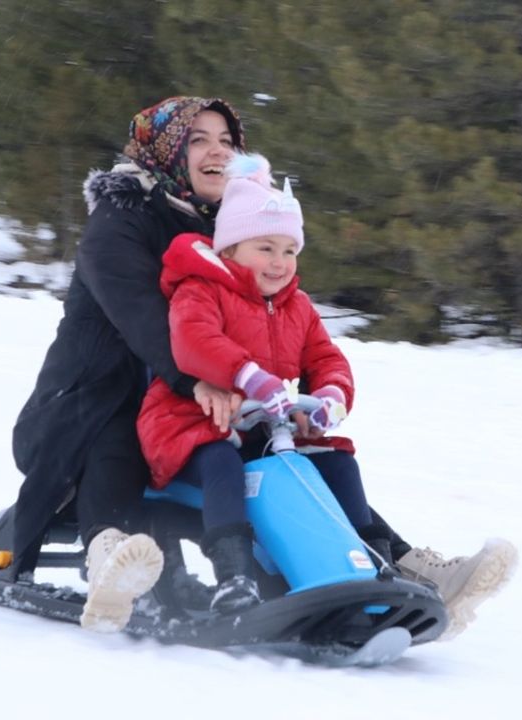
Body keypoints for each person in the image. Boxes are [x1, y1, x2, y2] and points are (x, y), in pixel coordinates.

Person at [9, 96, 516, 636]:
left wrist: (301, 399)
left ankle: (398, 563)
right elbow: (146, 320)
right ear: (167, 150)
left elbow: (288, 329)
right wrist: (205, 378)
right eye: (198, 139)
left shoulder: (233, 230)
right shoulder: (119, 223)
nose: (216, 152)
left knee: (296, 464)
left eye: (227, 141)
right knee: (122, 435)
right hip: (93, 401)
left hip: (209, 401)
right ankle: (111, 556)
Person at [136, 151, 393, 613]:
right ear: (230, 249)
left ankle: (377, 569)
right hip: (185, 425)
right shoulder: (202, 289)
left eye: (289, 250)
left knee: (336, 463)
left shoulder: (297, 306)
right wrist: (250, 377)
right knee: (221, 463)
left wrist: (330, 398)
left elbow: (325, 357)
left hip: (263, 431)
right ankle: (235, 578)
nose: (280, 263)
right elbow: (194, 341)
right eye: (265, 249)